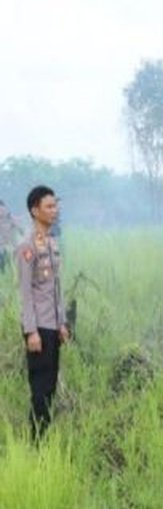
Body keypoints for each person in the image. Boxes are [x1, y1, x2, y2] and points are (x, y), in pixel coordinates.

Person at [16, 185, 69, 439]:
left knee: (50, 387)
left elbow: (56, 287)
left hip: (52, 326)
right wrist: (30, 331)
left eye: (55, 205)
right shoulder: (27, 246)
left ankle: (44, 439)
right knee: (40, 388)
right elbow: (25, 292)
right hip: (38, 328)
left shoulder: (51, 243)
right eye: (49, 206)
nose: (54, 210)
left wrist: (62, 322)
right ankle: (36, 444)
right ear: (35, 210)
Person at [0, 199, 23, 275]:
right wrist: (20, 229)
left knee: (6, 253)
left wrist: (20, 229)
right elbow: (14, 221)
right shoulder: (7, 213)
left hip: (6, 237)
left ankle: (5, 266)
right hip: (7, 236)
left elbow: (14, 221)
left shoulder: (7, 213)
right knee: (10, 252)